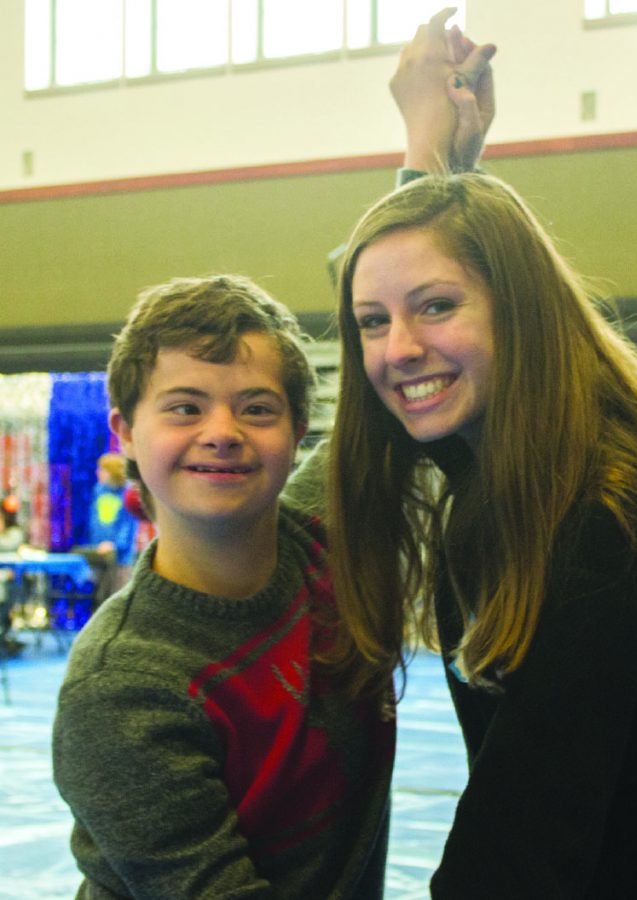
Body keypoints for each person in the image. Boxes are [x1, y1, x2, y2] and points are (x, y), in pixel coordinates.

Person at [287, 16, 637, 895]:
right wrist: (430, 163)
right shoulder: (509, 462)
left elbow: (517, 845)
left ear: (520, 308)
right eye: (370, 323)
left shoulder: (595, 519)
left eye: (435, 307)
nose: (396, 348)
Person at [53, 275, 394, 898]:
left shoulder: (319, 539)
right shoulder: (124, 686)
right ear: (125, 431)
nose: (222, 431)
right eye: (185, 407)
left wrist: (426, 182)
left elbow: (394, 353)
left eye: (257, 408)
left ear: (298, 433)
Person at [84, 452, 139, 601]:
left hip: (121, 558)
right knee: (100, 597)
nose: (98, 473)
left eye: (102, 470)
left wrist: (115, 545)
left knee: (118, 597)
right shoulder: (99, 490)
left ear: (112, 472)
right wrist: (96, 544)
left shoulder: (128, 493)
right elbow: (94, 520)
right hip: (100, 553)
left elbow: (129, 525)